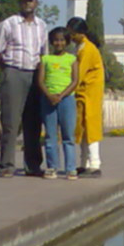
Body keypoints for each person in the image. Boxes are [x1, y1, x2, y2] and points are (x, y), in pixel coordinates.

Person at [0, 0, 49, 178]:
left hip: (34, 74)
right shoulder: (8, 24)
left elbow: (44, 53)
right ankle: (7, 164)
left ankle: (32, 165)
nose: (27, 3)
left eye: (31, 0)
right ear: (19, 2)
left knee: (33, 122)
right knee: (11, 121)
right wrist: (8, 71)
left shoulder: (41, 26)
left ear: (36, 2)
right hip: (14, 71)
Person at [37, 27, 79, 180]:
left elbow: (75, 81)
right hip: (48, 100)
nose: (59, 43)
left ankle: (70, 168)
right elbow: (40, 80)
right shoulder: (46, 59)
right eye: (55, 40)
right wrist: (49, 95)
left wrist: (61, 95)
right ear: (51, 42)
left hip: (66, 99)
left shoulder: (72, 59)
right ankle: (52, 167)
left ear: (67, 42)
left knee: (68, 136)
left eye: (62, 40)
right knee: (50, 135)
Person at [67, 17, 105, 178]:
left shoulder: (88, 49)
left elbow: (79, 74)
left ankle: (95, 164)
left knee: (91, 127)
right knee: (82, 127)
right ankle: (84, 164)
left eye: (72, 33)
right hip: (83, 93)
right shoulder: (80, 47)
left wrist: (64, 89)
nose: (70, 37)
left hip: (90, 93)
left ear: (80, 33)